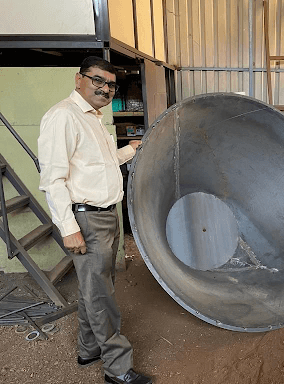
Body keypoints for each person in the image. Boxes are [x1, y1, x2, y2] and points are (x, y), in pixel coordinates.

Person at [38, 56, 152, 384]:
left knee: (96, 288)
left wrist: (130, 149)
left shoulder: (93, 118)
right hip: (86, 222)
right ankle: (117, 369)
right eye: (97, 80)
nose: (104, 88)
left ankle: (88, 348)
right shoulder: (63, 117)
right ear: (79, 80)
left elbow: (99, 165)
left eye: (110, 84)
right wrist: (68, 227)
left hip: (104, 218)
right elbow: (52, 179)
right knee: (100, 293)